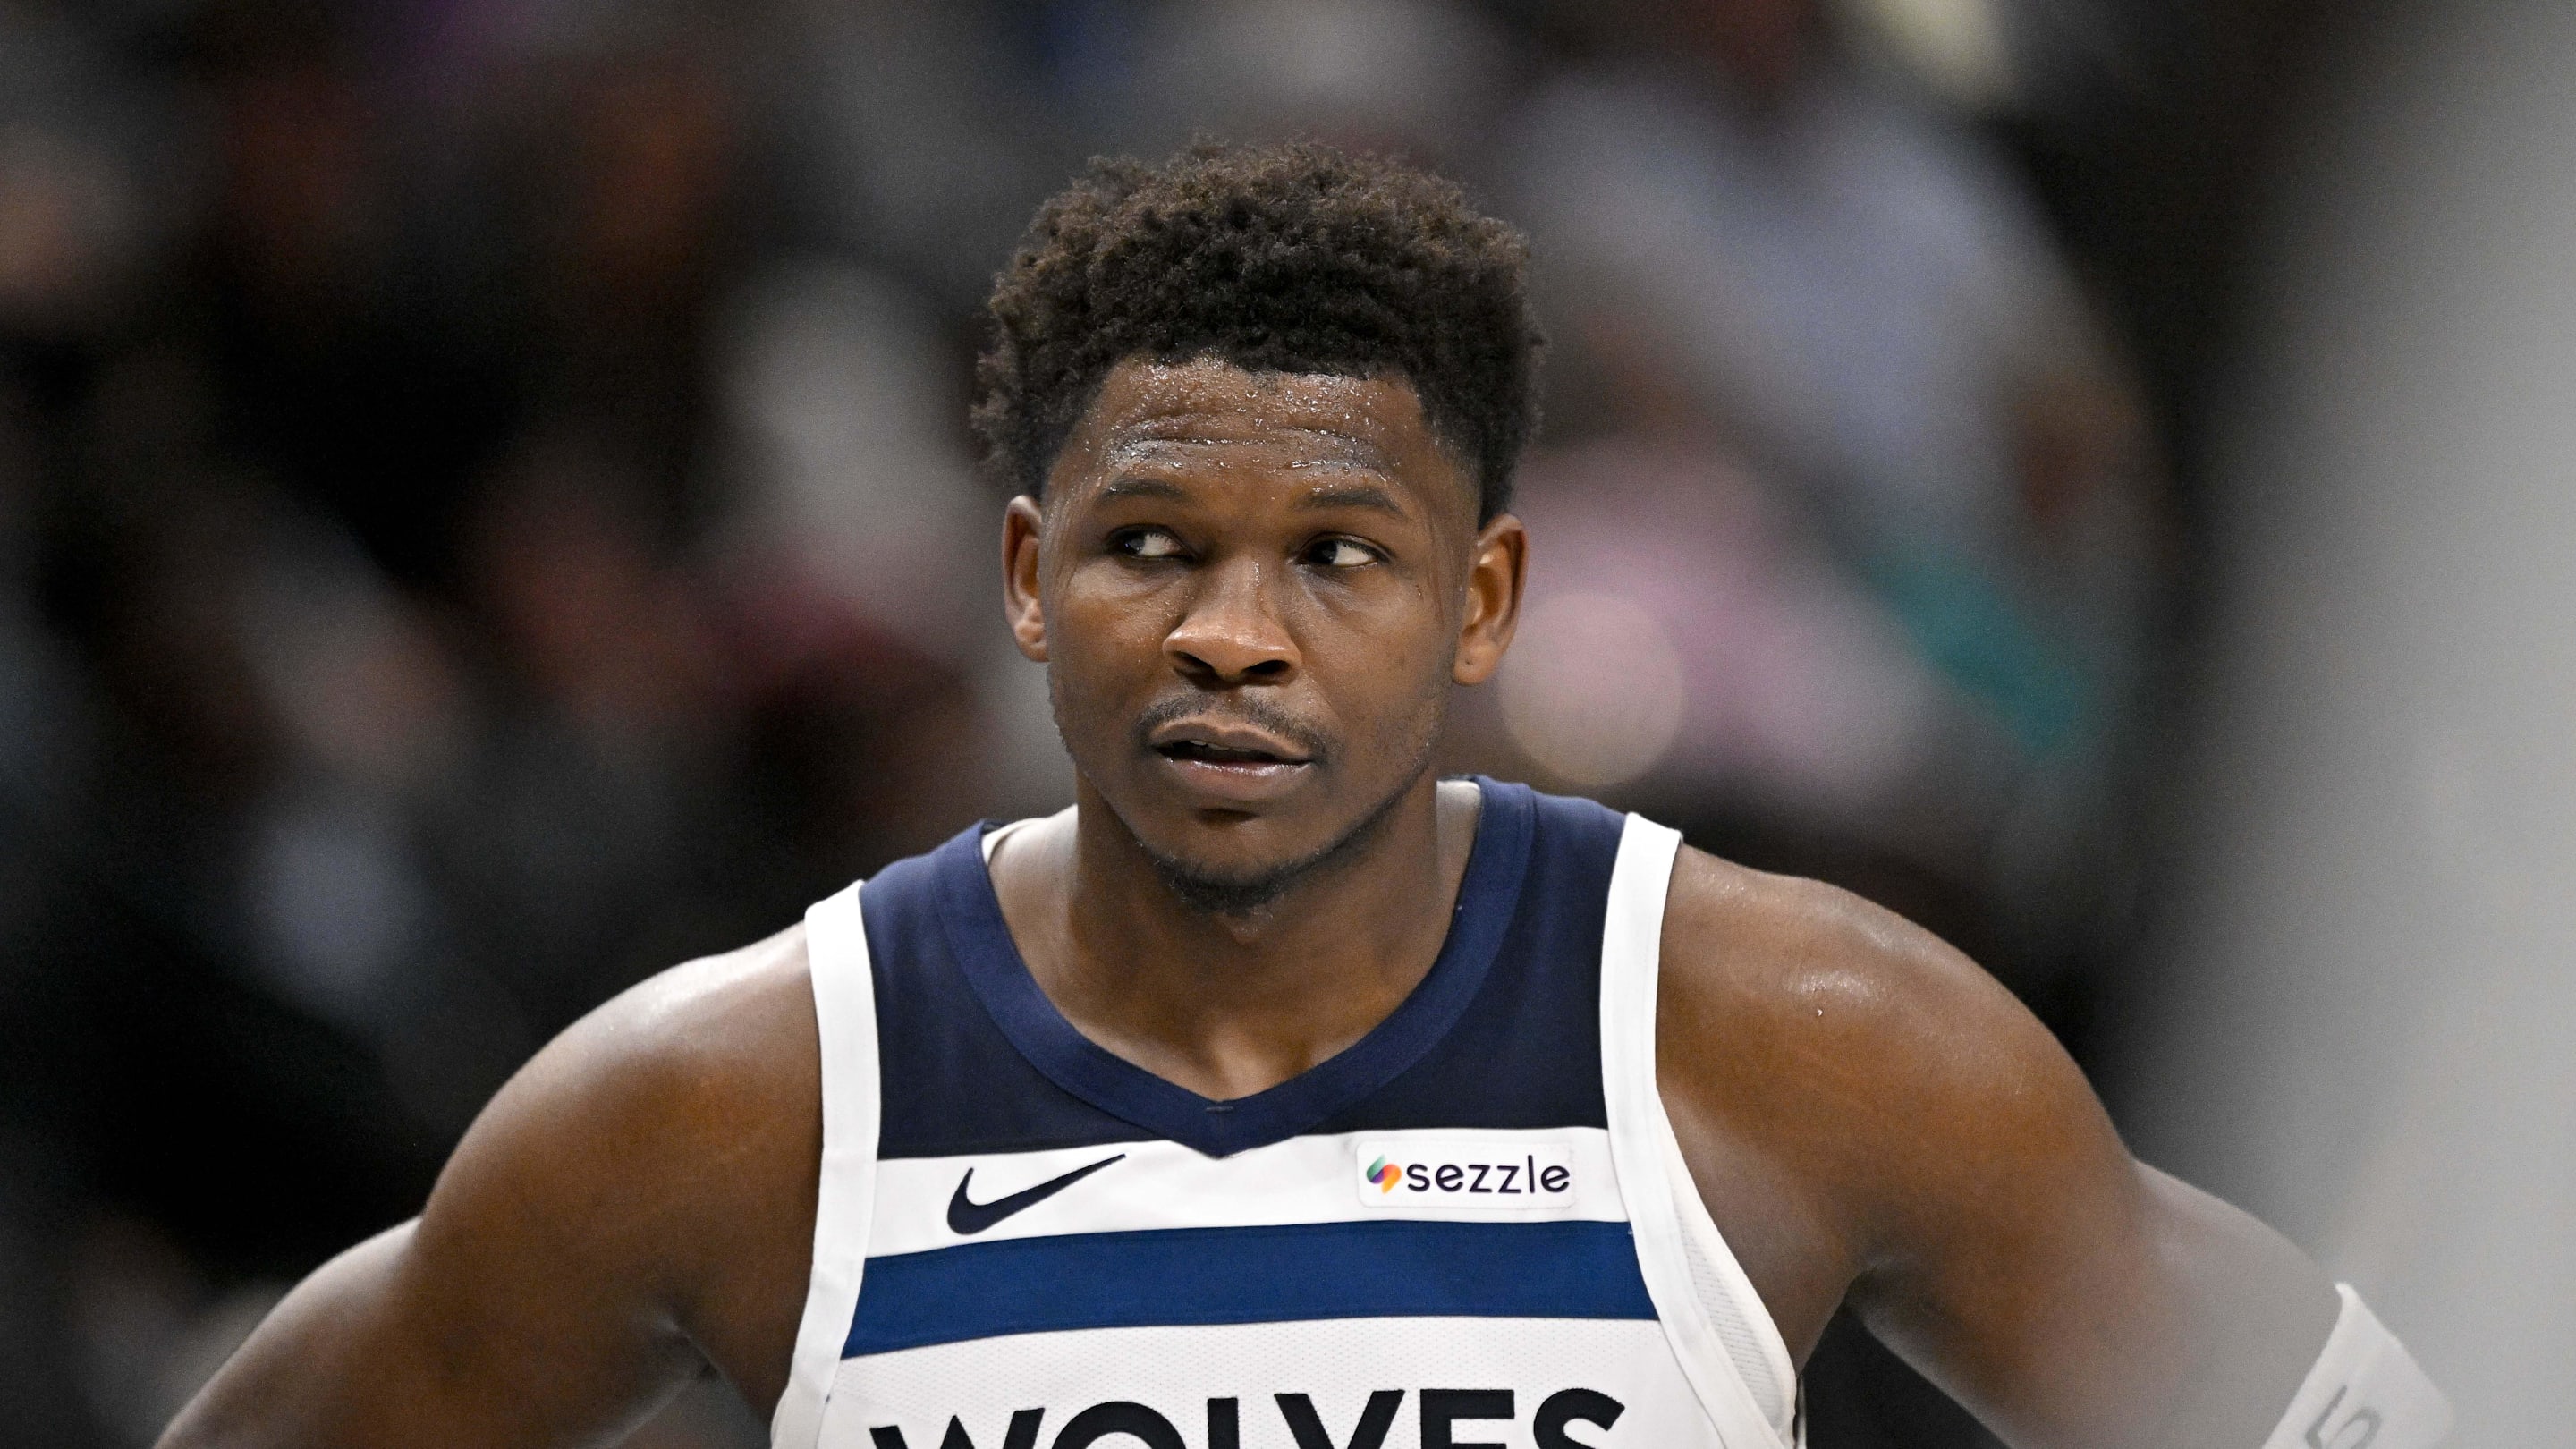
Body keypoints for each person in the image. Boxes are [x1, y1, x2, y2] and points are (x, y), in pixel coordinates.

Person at [158, 143, 2445, 1449]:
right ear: (1035, 583)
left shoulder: (1792, 1036)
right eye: (1154, 549)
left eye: (1337, 558)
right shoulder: (744, 1100)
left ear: (1483, 602)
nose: (1233, 634)